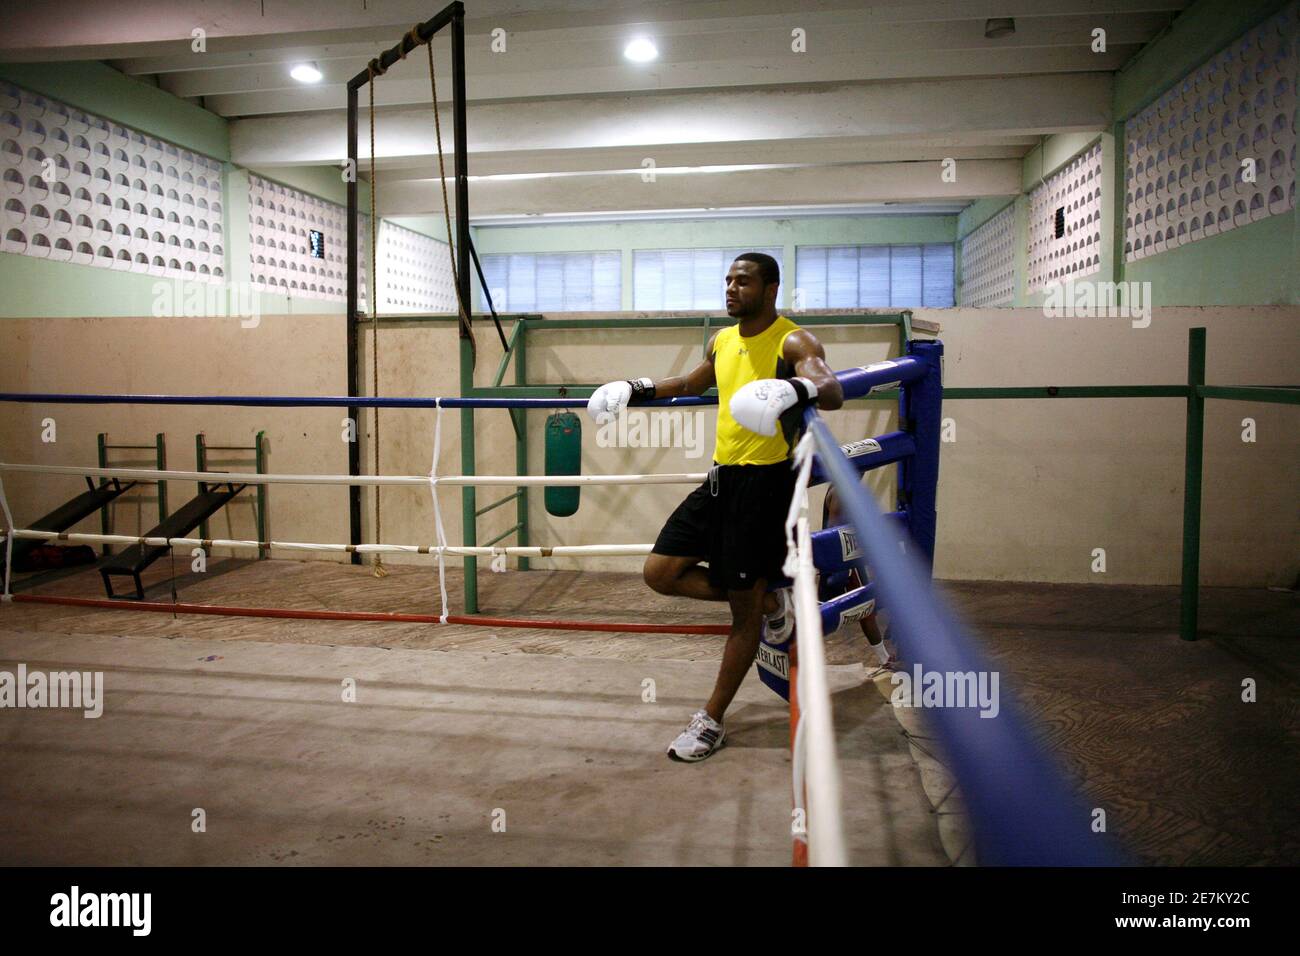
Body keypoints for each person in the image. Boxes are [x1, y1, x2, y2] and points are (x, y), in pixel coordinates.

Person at [587, 252, 844, 762]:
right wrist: (633, 389)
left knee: (739, 613)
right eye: (727, 280)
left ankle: (712, 720)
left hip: (766, 487)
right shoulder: (723, 339)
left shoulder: (794, 340)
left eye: (742, 281)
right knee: (659, 572)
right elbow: (689, 384)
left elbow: (832, 390)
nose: (731, 288)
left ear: (770, 288)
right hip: (722, 478)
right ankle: (772, 602)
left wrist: (793, 386)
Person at [820, 483, 897, 679]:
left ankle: (884, 658)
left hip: (845, 558)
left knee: (865, 609)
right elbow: (834, 527)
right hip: (842, 559)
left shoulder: (844, 487)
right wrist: (840, 568)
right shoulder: (840, 490)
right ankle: (799, 660)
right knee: (855, 609)